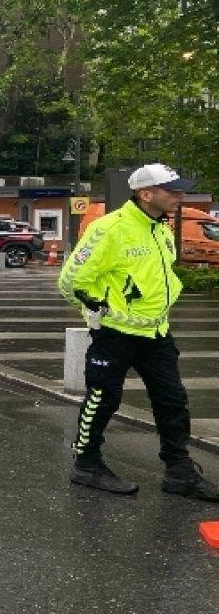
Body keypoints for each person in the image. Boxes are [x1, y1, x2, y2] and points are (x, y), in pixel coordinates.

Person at [60, 163, 219, 499]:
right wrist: (96, 315)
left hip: (157, 333)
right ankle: (86, 466)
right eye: (172, 190)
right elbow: (71, 281)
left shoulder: (160, 228)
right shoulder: (109, 229)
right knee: (103, 399)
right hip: (115, 334)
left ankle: (179, 472)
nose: (180, 195)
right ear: (147, 194)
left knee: (172, 401)